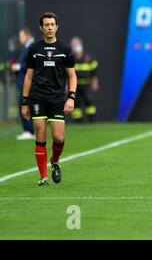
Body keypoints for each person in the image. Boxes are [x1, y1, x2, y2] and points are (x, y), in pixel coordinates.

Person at [21, 12, 77, 186]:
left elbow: (72, 76)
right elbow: (29, 77)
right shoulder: (34, 49)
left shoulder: (65, 49)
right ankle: (43, 176)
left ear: (57, 27)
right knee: (40, 135)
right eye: (46, 25)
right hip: (38, 97)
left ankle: (54, 161)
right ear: (41, 28)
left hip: (58, 99)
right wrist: (24, 101)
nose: (50, 27)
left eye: (52, 24)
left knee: (59, 138)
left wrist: (71, 98)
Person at [12, 28, 35, 140]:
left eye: (21, 36)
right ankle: (28, 130)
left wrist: (19, 67)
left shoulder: (32, 47)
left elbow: (32, 64)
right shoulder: (26, 47)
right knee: (23, 105)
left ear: (27, 35)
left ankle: (30, 130)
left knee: (25, 105)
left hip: (27, 82)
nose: (20, 38)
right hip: (22, 81)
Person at [70, 36, 99, 123]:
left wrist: (95, 83)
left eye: (77, 44)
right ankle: (78, 123)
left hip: (86, 84)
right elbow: (67, 74)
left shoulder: (89, 59)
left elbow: (94, 72)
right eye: (74, 45)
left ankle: (92, 121)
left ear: (81, 45)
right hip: (75, 85)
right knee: (76, 104)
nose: (76, 46)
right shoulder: (70, 59)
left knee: (89, 101)